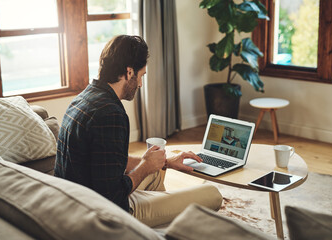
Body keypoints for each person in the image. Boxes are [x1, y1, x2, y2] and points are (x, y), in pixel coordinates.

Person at [54, 35, 222, 226]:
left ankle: (158, 228)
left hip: (75, 201)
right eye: (141, 76)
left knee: (155, 172)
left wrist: (164, 162)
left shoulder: (84, 98)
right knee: (212, 194)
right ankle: (142, 227)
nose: (141, 84)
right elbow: (113, 197)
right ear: (129, 72)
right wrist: (144, 166)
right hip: (101, 215)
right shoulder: (110, 114)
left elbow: (106, 160)